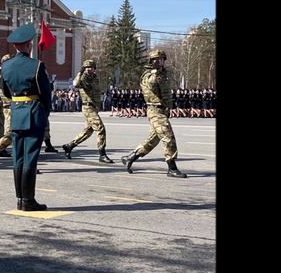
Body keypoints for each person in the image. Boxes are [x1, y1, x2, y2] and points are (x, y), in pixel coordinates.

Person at [1, 24, 51, 211]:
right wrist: (44, 113)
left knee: (18, 157)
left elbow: (6, 92)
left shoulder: (5, 66)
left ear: (15, 46)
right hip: (33, 113)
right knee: (30, 157)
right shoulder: (36, 66)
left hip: (16, 113)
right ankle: (28, 200)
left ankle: (20, 199)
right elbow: (46, 94)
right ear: (29, 45)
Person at [121, 49, 187, 178]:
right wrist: (156, 74)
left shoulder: (163, 74)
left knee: (152, 140)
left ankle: (130, 157)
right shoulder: (150, 75)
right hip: (155, 110)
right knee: (168, 137)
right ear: (151, 61)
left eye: (161, 59)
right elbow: (150, 86)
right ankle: (172, 167)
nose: (159, 61)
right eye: (156, 59)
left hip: (163, 110)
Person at [61, 59, 113, 163]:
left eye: (91, 67)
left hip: (94, 107)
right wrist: (80, 72)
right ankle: (102, 154)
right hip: (88, 107)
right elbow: (75, 84)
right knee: (100, 128)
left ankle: (70, 146)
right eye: (87, 67)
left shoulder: (95, 78)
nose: (89, 69)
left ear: (94, 69)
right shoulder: (83, 78)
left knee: (88, 131)